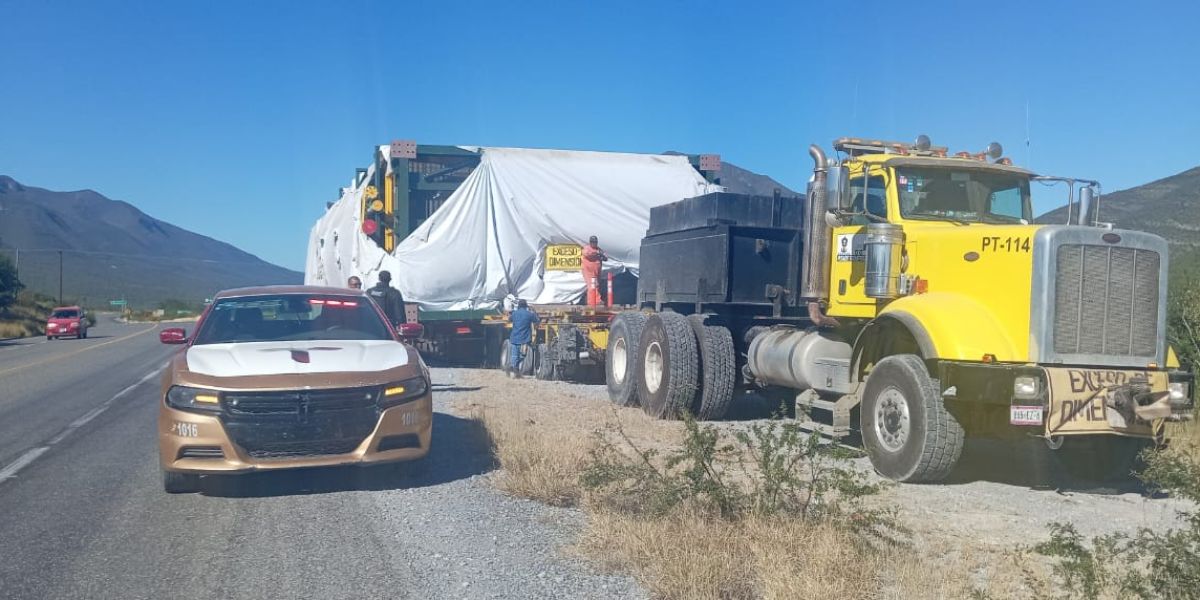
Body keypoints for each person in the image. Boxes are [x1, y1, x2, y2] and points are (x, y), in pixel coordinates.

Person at [508, 299, 539, 378]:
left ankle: (514, 370)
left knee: (514, 355)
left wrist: (511, 313)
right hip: (524, 339)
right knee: (523, 355)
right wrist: (534, 312)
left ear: (518, 306)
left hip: (514, 337)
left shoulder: (515, 314)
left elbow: (509, 319)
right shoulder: (529, 314)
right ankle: (515, 370)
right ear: (526, 306)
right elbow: (537, 320)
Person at [582, 235, 607, 306]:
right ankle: (596, 300)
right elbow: (586, 254)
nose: (594, 243)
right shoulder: (587, 248)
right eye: (592, 242)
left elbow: (605, 257)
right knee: (592, 285)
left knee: (596, 285)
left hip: (596, 271)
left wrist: (602, 255)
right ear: (590, 242)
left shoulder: (599, 249)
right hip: (589, 270)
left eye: (595, 242)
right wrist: (596, 253)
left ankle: (592, 301)